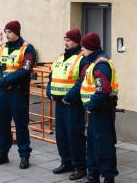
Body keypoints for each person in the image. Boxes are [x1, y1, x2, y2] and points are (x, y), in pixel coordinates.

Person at [0, 20, 37, 169]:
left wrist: (6, 80)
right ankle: (2, 153)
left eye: (9, 32)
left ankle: (24, 155)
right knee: (2, 123)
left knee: (20, 124)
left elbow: (25, 69)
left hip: (18, 92)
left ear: (16, 32)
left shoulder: (27, 48)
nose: (7, 35)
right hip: (3, 92)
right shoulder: (2, 47)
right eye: (6, 32)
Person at [47, 28, 87, 181]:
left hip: (72, 104)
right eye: (65, 40)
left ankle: (80, 166)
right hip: (59, 103)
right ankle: (66, 162)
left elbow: (82, 81)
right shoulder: (60, 57)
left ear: (76, 41)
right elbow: (51, 76)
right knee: (61, 135)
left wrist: (69, 97)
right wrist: (49, 91)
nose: (66, 43)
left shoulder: (82, 59)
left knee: (74, 135)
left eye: (68, 40)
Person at [79, 32, 119, 183]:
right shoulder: (94, 62)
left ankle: (108, 177)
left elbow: (102, 90)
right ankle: (93, 175)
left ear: (90, 47)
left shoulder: (101, 65)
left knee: (103, 144)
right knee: (92, 144)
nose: (82, 49)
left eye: (84, 47)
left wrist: (90, 106)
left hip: (101, 110)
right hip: (96, 110)